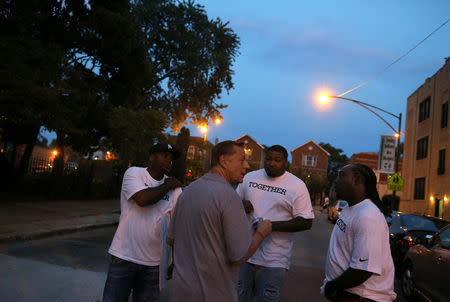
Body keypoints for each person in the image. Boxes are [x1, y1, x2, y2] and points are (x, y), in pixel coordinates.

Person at [160, 140, 272, 302]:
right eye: (242, 160)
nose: (247, 166)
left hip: (182, 292)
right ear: (224, 161)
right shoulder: (229, 196)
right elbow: (239, 256)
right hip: (212, 294)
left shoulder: (189, 190)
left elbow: (171, 239)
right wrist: (262, 232)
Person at [102, 143, 183, 302]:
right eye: (165, 156)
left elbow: (175, 226)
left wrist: (172, 260)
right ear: (151, 157)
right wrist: (166, 186)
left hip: (154, 264)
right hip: (124, 256)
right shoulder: (134, 173)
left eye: (172, 158)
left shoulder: (175, 189)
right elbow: (142, 199)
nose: (170, 161)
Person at [237, 145, 315, 302]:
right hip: (245, 256)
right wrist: (241, 204)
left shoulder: (297, 185)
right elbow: (231, 202)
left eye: (277, 160)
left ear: (286, 162)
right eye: (268, 159)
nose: (271, 163)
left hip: (274, 261)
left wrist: (271, 226)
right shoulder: (249, 177)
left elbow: (306, 221)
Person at [321, 164, 396, 302]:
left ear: (357, 180)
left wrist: (331, 286)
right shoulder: (350, 208)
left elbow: (362, 270)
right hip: (348, 294)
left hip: (362, 297)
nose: (336, 181)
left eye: (341, 176)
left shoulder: (368, 216)